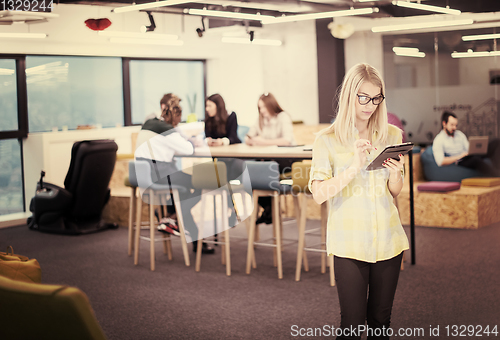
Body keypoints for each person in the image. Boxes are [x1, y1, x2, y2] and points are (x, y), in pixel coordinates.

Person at [308, 63, 409, 340]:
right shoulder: (326, 140)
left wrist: (396, 175)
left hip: (388, 238)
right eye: (363, 97)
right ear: (349, 95)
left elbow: (394, 192)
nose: (370, 105)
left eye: (376, 98)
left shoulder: (392, 135)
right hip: (350, 241)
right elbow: (318, 194)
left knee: (380, 322)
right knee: (352, 326)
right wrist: (354, 166)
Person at [135, 93, 214, 254]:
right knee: (202, 183)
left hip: (146, 174)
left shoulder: (149, 123)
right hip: (159, 175)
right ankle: (171, 216)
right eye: (179, 119)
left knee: (182, 194)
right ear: (175, 116)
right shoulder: (167, 130)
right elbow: (188, 149)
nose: (179, 122)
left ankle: (189, 234)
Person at [245, 92, 296, 224]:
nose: (261, 111)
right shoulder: (260, 120)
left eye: (263, 107)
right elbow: (248, 136)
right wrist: (251, 140)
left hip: (284, 161)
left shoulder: (283, 117)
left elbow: (286, 140)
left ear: (271, 105)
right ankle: (269, 208)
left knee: (260, 171)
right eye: (259, 108)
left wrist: (261, 142)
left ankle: (270, 209)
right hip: (266, 160)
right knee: (249, 171)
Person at [433, 111, 500, 176]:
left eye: (456, 125)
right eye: (452, 125)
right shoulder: (439, 139)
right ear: (444, 124)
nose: (454, 128)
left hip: (469, 155)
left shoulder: (459, 134)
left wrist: (475, 150)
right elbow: (440, 161)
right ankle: (497, 175)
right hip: (460, 160)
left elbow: (468, 148)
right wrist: (459, 156)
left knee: (496, 142)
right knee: (475, 160)